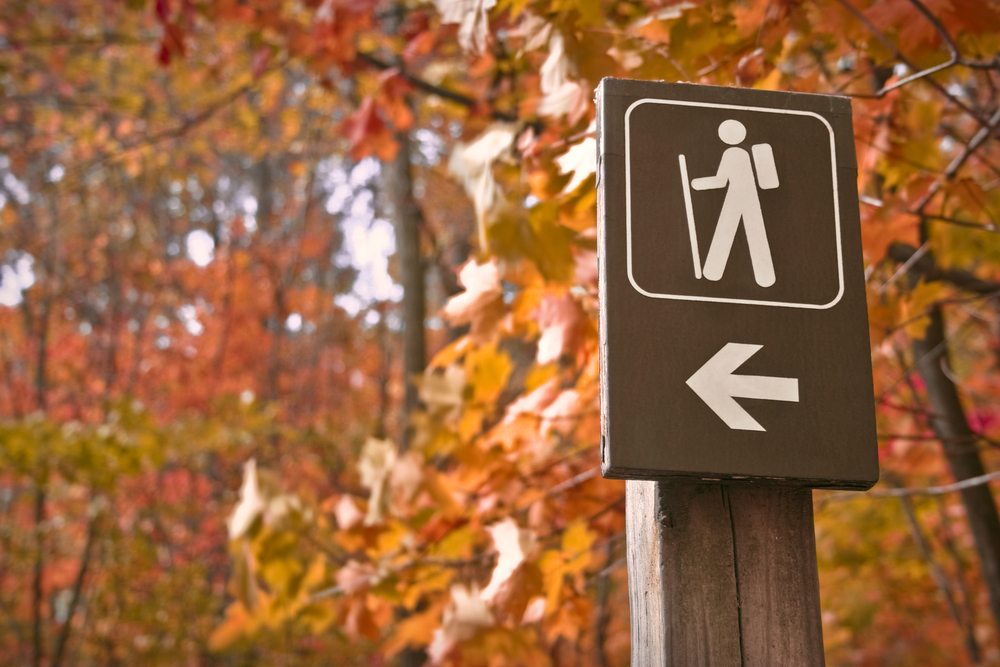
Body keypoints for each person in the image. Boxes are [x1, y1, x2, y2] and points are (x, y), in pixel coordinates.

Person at [690, 119, 777, 288]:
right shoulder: (747, 152)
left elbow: (721, 181)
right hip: (744, 199)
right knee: (752, 234)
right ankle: (764, 277)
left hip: (740, 198)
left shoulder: (735, 154)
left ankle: (714, 272)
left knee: (726, 233)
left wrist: (698, 184)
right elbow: (767, 182)